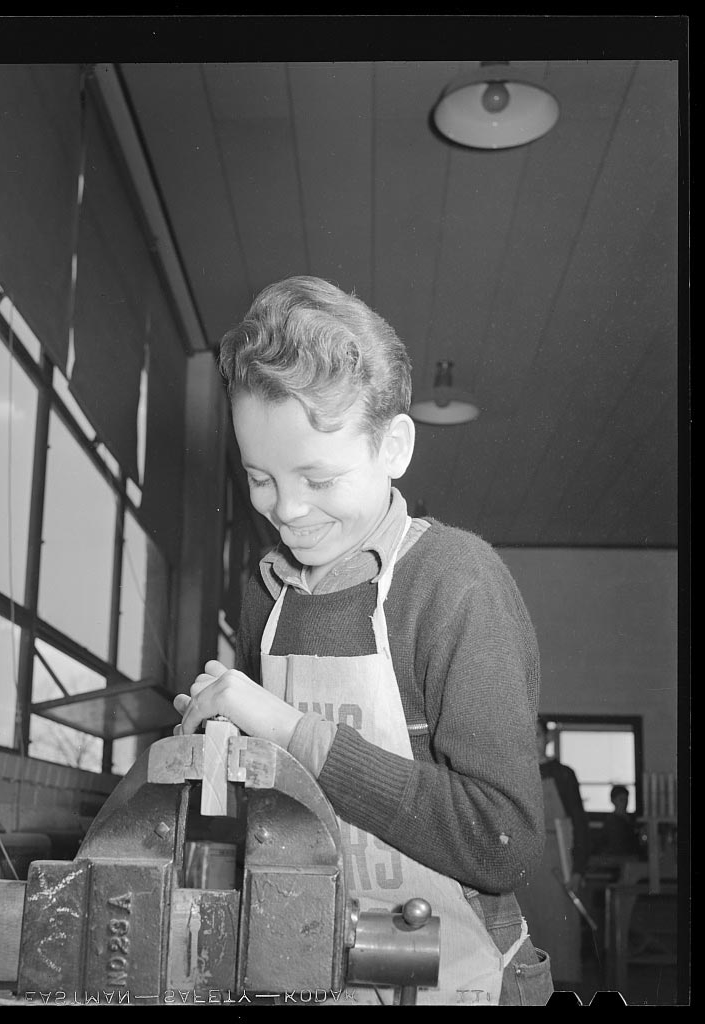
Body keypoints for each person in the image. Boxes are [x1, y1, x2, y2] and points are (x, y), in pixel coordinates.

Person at [172, 276, 553, 1005]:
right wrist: (228, 743)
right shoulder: (268, 594)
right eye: (259, 478)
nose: (286, 510)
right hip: (311, 967)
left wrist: (289, 730)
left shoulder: (454, 584)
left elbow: (499, 840)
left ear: (394, 447)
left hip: (458, 977)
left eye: (318, 477)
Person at [516, 719, 590, 992]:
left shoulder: (563, 774)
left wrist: (579, 869)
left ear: (546, 738)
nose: (532, 739)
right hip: (524, 863)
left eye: (537, 734)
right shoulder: (515, 771)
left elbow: (580, 824)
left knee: (561, 936)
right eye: (527, 733)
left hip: (558, 863)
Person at [597, 784, 641, 859]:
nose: (624, 803)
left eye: (626, 800)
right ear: (613, 801)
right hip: (619, 858)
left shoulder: (631, 819)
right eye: (621, 800)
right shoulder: (612, 821)